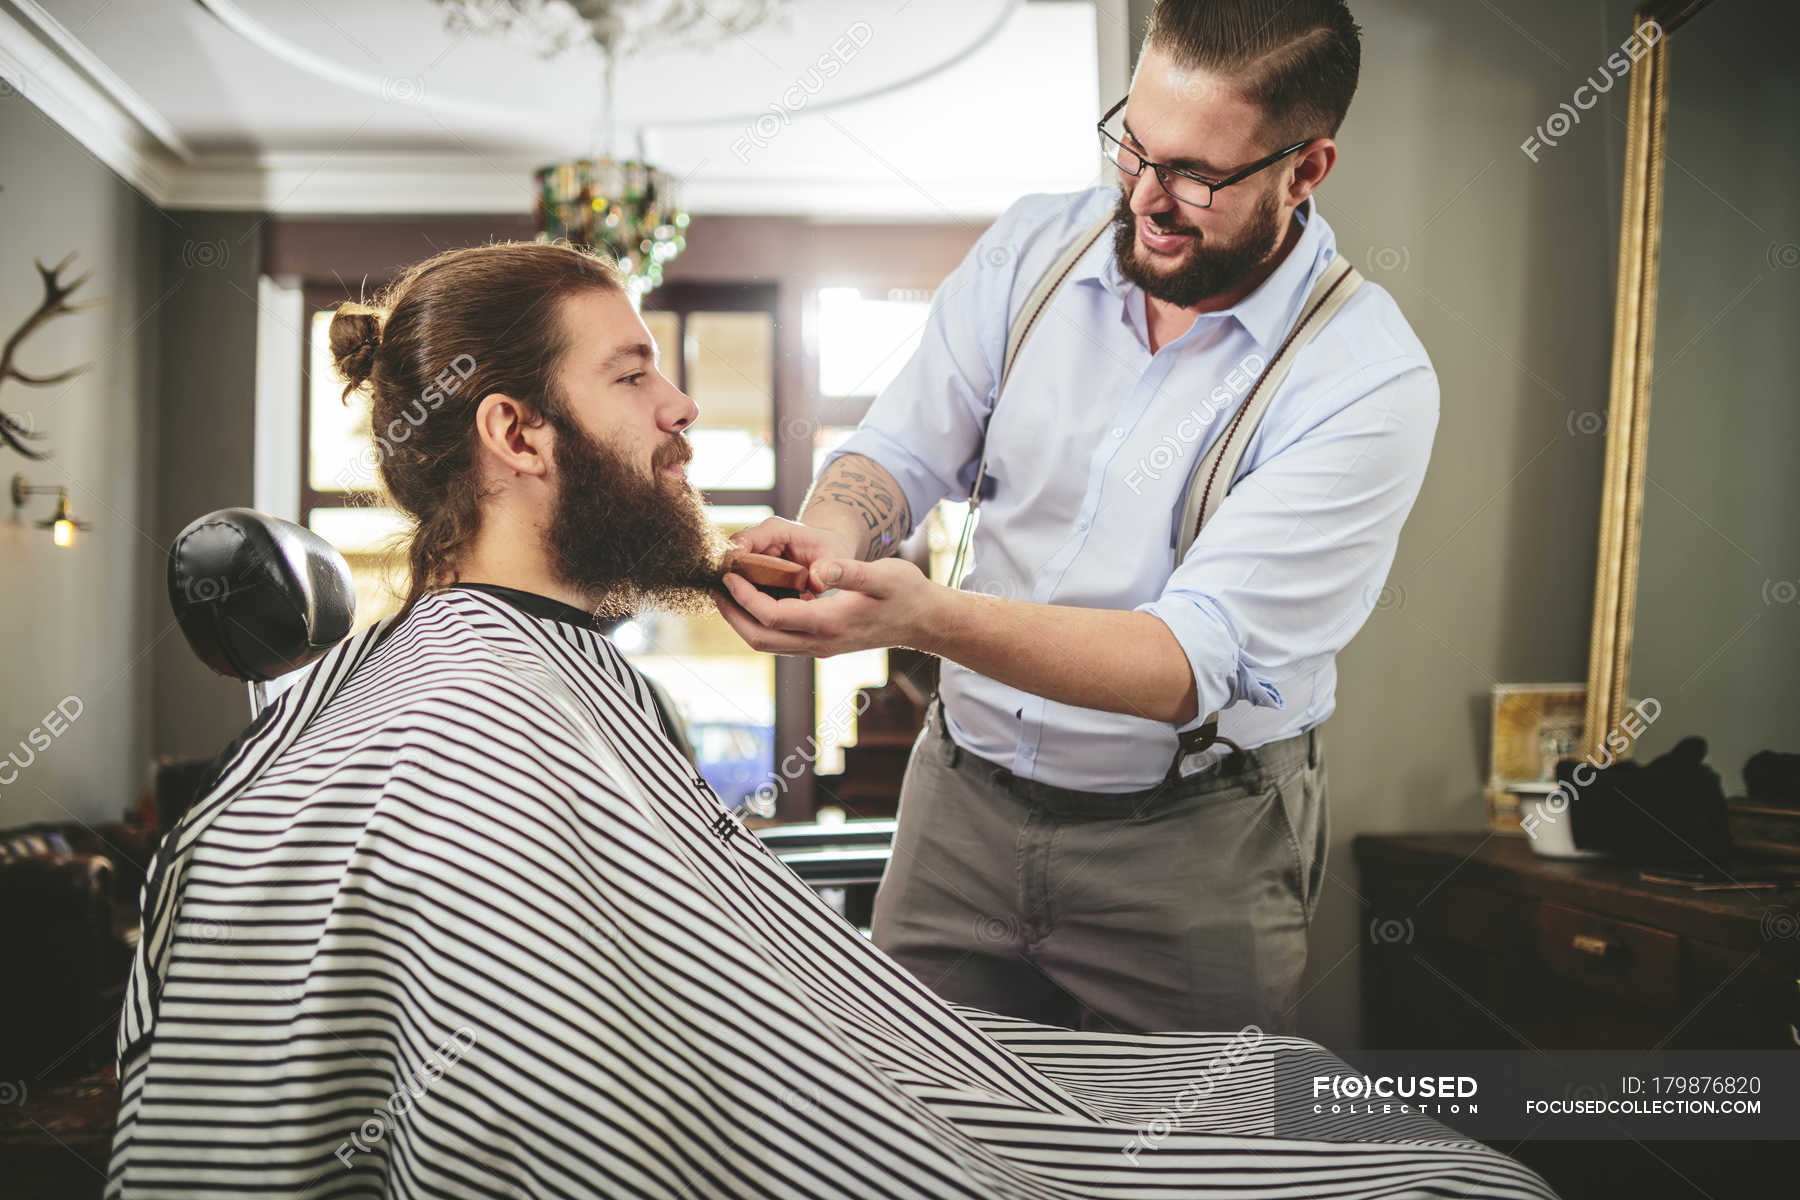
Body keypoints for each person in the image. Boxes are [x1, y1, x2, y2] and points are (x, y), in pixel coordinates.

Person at [104, 241, 1552, 1199]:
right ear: (516, 434)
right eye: (632, 374)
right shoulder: (468, 724)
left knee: (1278, 1096)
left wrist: (895, 600)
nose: (681, 412)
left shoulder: (516, 671)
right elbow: (537, 1113)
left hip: (1113, 909)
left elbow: (1194, 656)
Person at [716, 0, 1426, 1036]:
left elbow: (1185, 663)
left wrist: (924, 619)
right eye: (1132, 145)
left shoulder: (1365, 379)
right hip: (959, 798)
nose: (1145, 197)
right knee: (924, 1134)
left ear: (1306, 170)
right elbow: (902, 450)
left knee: (1184, 1162)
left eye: (1195, 175)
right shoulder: (1034, 250)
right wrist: (833, 531)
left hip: (1192, 849)